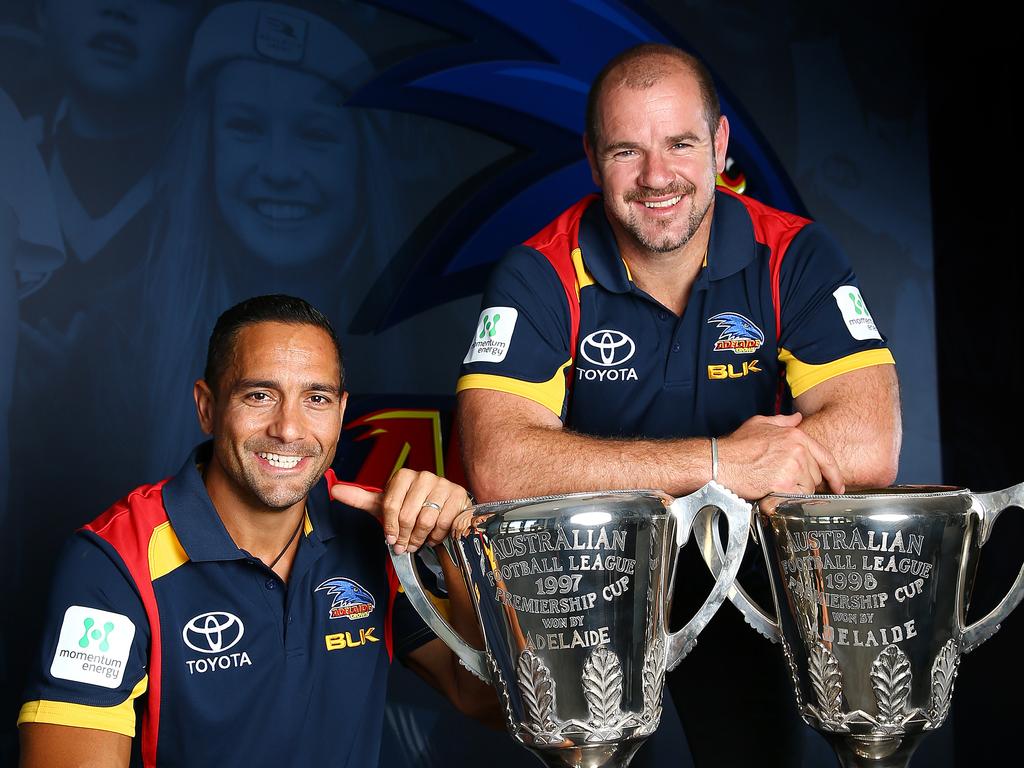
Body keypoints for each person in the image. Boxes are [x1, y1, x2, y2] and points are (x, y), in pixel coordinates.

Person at [456, 43, 901, 767]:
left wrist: (714, 476)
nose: (657, 177)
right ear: (593, 157)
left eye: (681, 144)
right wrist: (727, 461)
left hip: (745, 582)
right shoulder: (539, 271)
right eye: (627, 150)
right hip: (591, 590)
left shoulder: (794, 254)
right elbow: (498, 463)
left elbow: (871, 441)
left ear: (721, 145)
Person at [18, 294, 496, 767]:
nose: (289, 429)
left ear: (341, 412)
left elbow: (481, 698)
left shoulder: (375, 534)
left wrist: (455, 549)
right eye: (260, 395)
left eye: (316, 398)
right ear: (207, 406)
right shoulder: (114, 560)